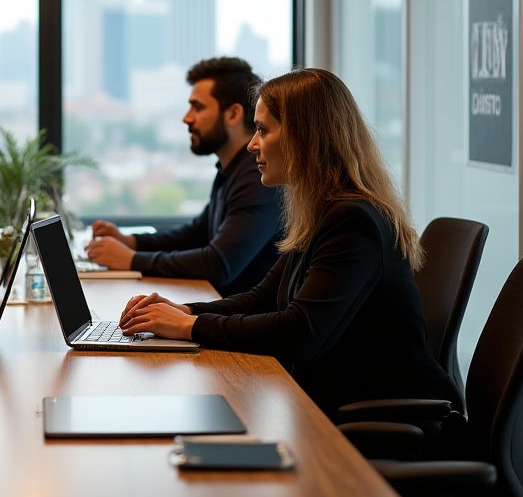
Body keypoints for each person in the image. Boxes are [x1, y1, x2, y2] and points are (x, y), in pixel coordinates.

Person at [118, 68, 459, 416]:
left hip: (389, 419)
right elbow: (262, 298)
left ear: (304, 137)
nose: (252, 144)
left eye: (263, 130)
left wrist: (190, 327)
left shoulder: (352, 220)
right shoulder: (323, 211)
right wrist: (182, 311)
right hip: (340, 402)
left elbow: (302, 332)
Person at [86, 57, 280, 296]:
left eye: (197, 107)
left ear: (233, 114)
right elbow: (196, 233)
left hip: (245, 322)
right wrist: (131, 242)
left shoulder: (257, 177)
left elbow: (219, 264)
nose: (186, 118)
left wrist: (132, 260)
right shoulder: (232, 169)